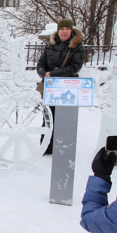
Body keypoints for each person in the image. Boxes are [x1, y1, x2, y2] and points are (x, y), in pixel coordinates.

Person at [37, 19, 85, 154]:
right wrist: (44, 74)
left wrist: (52, 73)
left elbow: (75, 67)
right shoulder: (50, 45)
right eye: (62, 29)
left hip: (68, 86)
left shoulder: (77, 46)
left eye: (67, 29)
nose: (64, 31)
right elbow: (41, 63)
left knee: (66, 117)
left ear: (71, 30)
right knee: (49, 116)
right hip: (51, 86)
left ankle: (64, 146)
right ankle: (46, 146)